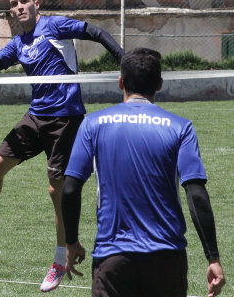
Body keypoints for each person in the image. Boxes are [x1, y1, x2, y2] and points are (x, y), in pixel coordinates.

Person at [0, 0, 125, 292]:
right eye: (14, 3)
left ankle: (59, 259)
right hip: (35, 117)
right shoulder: (18, 43)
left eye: (24, 1)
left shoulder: (55, 25)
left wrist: (123, 59)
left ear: (36, 3)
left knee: (56, 191)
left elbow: (96, 32)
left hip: (65, 120)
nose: (19, 7)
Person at [62, 48, 226, 297]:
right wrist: (212, 257)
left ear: (120, 82)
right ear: (159, 84)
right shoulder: (181, 128)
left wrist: (71, 241)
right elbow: (197, 194)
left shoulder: (92, 124)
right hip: (166, 259)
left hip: (113, 259)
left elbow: (71, 187)